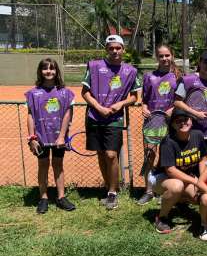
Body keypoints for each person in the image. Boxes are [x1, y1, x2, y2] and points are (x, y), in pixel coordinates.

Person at [82, 35, 141, 210]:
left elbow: (134, 97)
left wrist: (120, 104)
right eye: (111, 48)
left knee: (111, 155)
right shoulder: (94, 66)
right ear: (106, 49)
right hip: (94, 117)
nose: (115, 51)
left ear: (123, 50)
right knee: (100, 154)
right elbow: (85, 92)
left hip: (114, 119)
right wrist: (99, 107)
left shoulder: (131, 71)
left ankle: (113, 193)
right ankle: (108, 189)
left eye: (118, 48)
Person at [25, 58, 76, 214]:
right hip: (41, 138)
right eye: (45, 68)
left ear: (57, 71)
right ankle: (44, 198)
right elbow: (30, 116)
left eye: (52, 68)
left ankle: (61, 197)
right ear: (40, 71)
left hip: (59, 138)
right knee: (43, 165)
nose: (49, 71)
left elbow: (68, 114)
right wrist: (32, 138)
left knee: (58, 165)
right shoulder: (33, 93)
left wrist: (61, 136)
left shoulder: (65, 92)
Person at [150, 108, 207, 235]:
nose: (183, 123)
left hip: (185, 177)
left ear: (191, 121)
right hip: (161, 178)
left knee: (199, 198)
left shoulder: (198, 135)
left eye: (185, 119)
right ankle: (162, 217)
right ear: (172, 125)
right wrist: (195, 181)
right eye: (178, 121)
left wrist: (202, 181)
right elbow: (170, 171)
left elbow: (203, 159)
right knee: (177, 186)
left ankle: (180, 201)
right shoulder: (168, 141)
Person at [138, 44, 180, 205]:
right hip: (153, 122)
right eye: (161, 56)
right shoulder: (149, 76)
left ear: (172, 56)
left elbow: (181, 99)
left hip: (172, 123)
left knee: (168, 158)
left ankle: (165, 190)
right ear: (157, 57)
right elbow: (145, 99)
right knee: (150, 155)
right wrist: (144, 108)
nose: (164, 59)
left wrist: (172, 109)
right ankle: (148, 191)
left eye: (167, 55)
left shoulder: (178, 76)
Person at [173, 51, 207, 151]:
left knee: (205, 160)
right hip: (189, 129)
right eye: (206, 63)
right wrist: (195, 113)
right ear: (200, 63)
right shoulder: (187, 80)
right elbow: (177, 102)